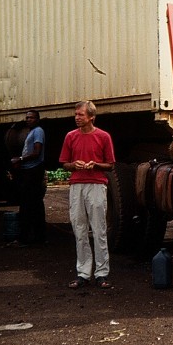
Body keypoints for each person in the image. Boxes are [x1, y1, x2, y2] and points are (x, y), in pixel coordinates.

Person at [59, 101, 115, 290]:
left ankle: (101, 273)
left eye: (81, 115)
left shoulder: (103, 136)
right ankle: (83, 273)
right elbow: (64, 163)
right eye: (76, 114)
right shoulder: (70, 137)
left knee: (99, 230)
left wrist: (95, 165)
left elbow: (110, 164)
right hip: (77, 186)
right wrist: (75, 165)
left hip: (97, 185)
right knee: (79, 229)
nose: (77, 118)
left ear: (91, 117)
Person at [9, 110, 46, 247]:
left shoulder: (38, 131)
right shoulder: (32, 132)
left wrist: (20, 158)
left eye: (31, 118)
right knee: (33, 203)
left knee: (28, 204)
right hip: (28, 169)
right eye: (27, 118)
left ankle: (27, 238)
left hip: (33, 170)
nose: (28, 120)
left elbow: (37, 152)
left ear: (37, 119)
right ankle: (37, 237)